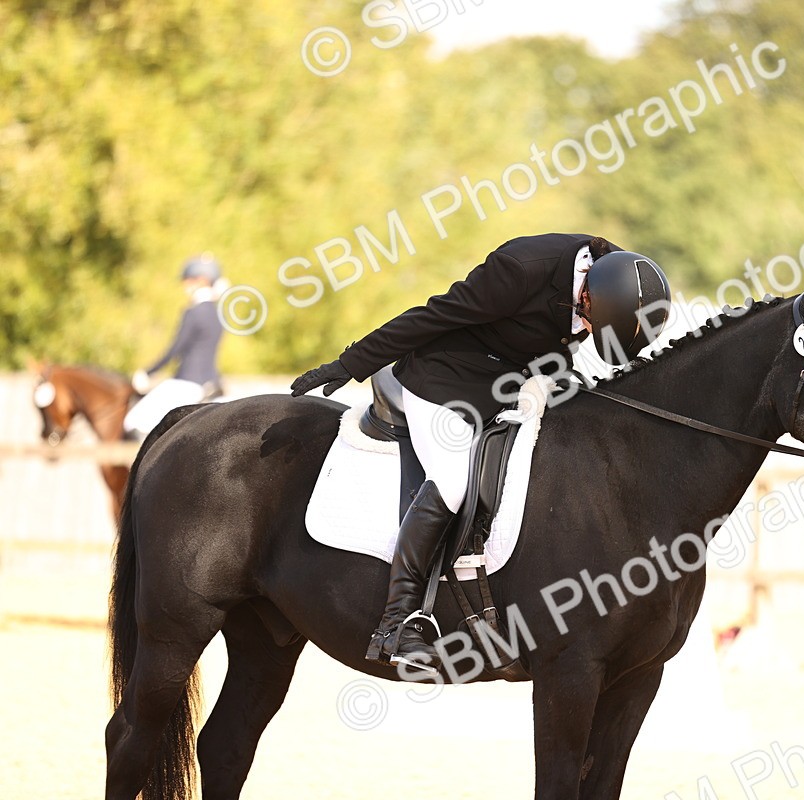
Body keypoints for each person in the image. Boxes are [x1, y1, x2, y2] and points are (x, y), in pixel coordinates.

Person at [290, 233, 670, 671]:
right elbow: (433, 317)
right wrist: (350, 363)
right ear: (587, 293)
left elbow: (555, 350)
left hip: (504, 387)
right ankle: (399, 622)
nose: (585, 329)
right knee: (453, 482)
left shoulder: (609, 282)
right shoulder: (521, 269)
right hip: (442, 382)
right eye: (587, 321)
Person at [123, 254, 227, 440]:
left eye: (188, 281)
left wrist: (148, 372)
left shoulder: (193, 312)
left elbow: (175, 349)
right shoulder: (219, 314)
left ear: (201, 281)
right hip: (212, 384)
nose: (185, 286)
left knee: (133, 422)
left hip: (187, 383)